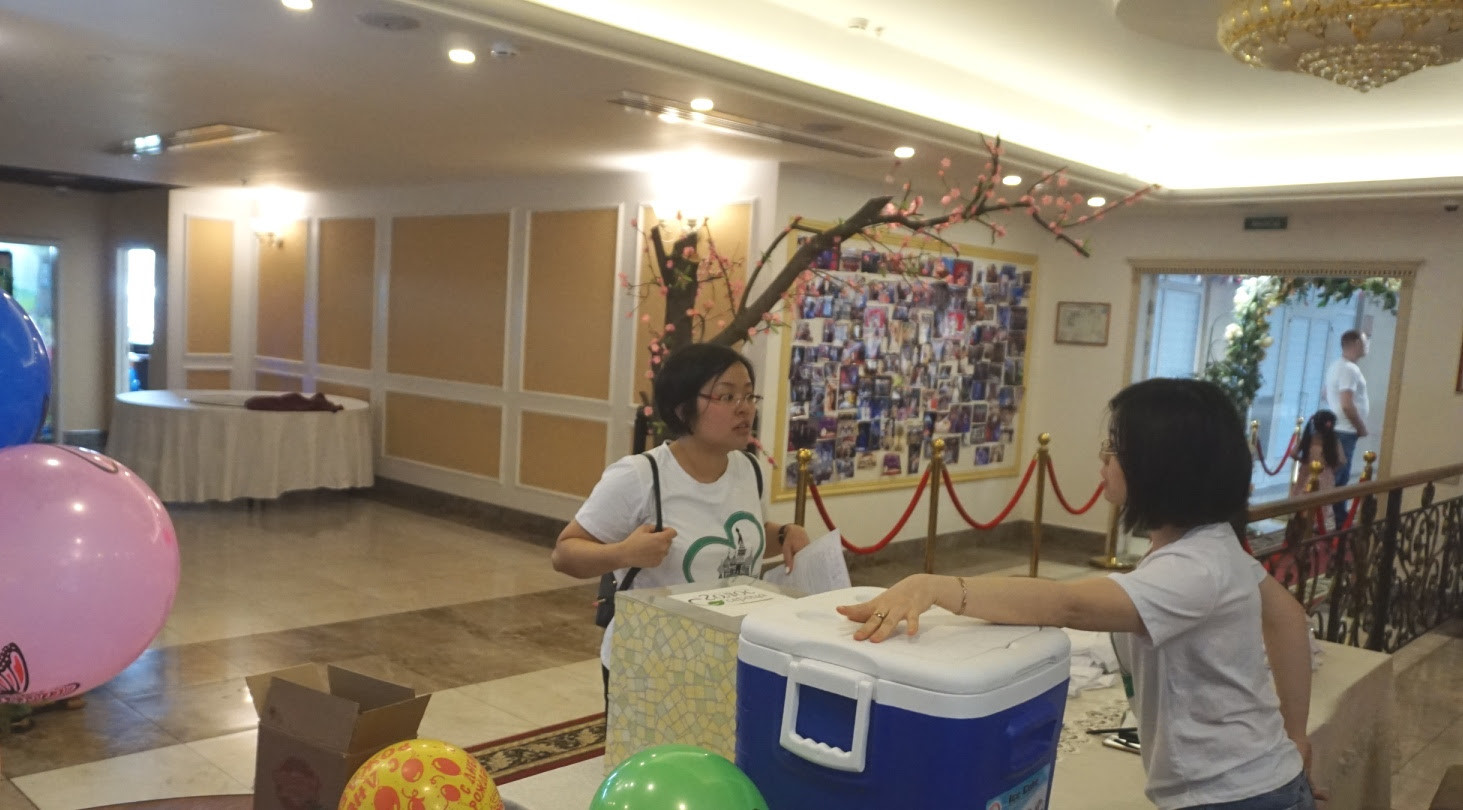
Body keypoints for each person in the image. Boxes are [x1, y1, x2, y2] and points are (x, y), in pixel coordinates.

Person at [839, 378, 1320, 810]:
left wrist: (936, 587)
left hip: (1235, 795)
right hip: (1255, 782)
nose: (1103, 459)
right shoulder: (1212, 545)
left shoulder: (1195, 568)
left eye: (1116, 447)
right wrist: (1294, 737)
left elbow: (1069, 604)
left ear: (1162, 466)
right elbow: (1288, 617)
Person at [551, 343, 811, 701]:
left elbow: (737, 541)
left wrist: (782, 534)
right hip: (650, 661)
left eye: (749, 395)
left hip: (730, 655)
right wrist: (624, 553)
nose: (744, 408)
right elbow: (564, 553)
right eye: (727, 396)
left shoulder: (748, 469)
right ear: (683, 407)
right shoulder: (642, 475)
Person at [1322, 330, 1369, 528]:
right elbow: (1347, 403)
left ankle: (1337, 519)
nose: (1368, 345)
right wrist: (1360, 427)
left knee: (1337, 476)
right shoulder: (1349, 369)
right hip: (1346, 430)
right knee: (1339, 478)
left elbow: (1325, 394)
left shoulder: (1336, 365)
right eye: (1366, 341)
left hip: (1340, 428)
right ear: (1357, 343)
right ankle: (1337, 522)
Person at [1290, 409, 1344, 532]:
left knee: (1303, 500)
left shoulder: (1308, 439)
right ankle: (1315, 528)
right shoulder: (1333, 441)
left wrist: (1303, 461)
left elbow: (1292, 453)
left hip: (1306, 472)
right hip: (1325, 476)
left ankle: (1301, 525)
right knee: (1320, 505)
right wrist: (1331, 470)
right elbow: (1341, 461)